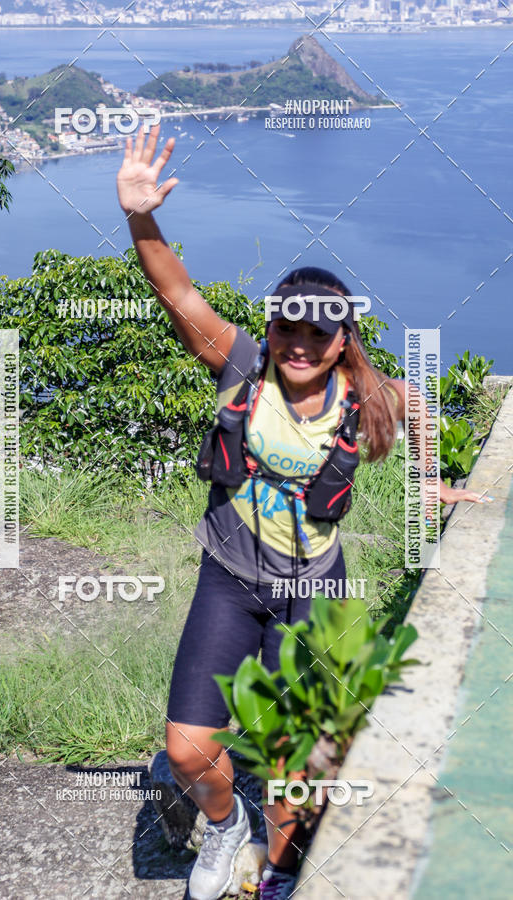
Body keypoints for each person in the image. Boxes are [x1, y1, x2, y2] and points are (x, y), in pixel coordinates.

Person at [116, 124, 489, 900]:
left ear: (341, 339)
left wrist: (431, 480)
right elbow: (177, 293)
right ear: (273, 325)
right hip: (230, 578)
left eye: (319, 332)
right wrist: (141, 216)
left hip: (317, 588)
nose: (299, 343)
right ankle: (225, 830)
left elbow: (418, 407)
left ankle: (283, 877)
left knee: (301, 756)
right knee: (187, 752)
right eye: (288, 326)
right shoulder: (241, 366)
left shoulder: (365, 396)